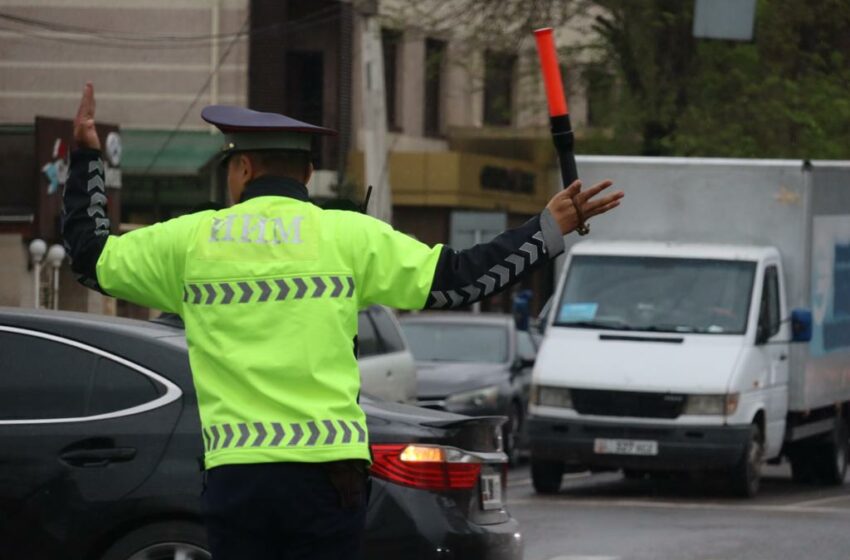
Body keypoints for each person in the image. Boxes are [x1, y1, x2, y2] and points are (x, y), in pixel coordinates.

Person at [62, 82, 623, 560]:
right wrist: (546, 229)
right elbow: (461, 279)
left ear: (242, 168)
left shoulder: (189, 240)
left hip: (239, 477)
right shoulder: (346, 235)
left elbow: (89, 256)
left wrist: (87, 157)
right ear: (307, 172)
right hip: (329, 479)